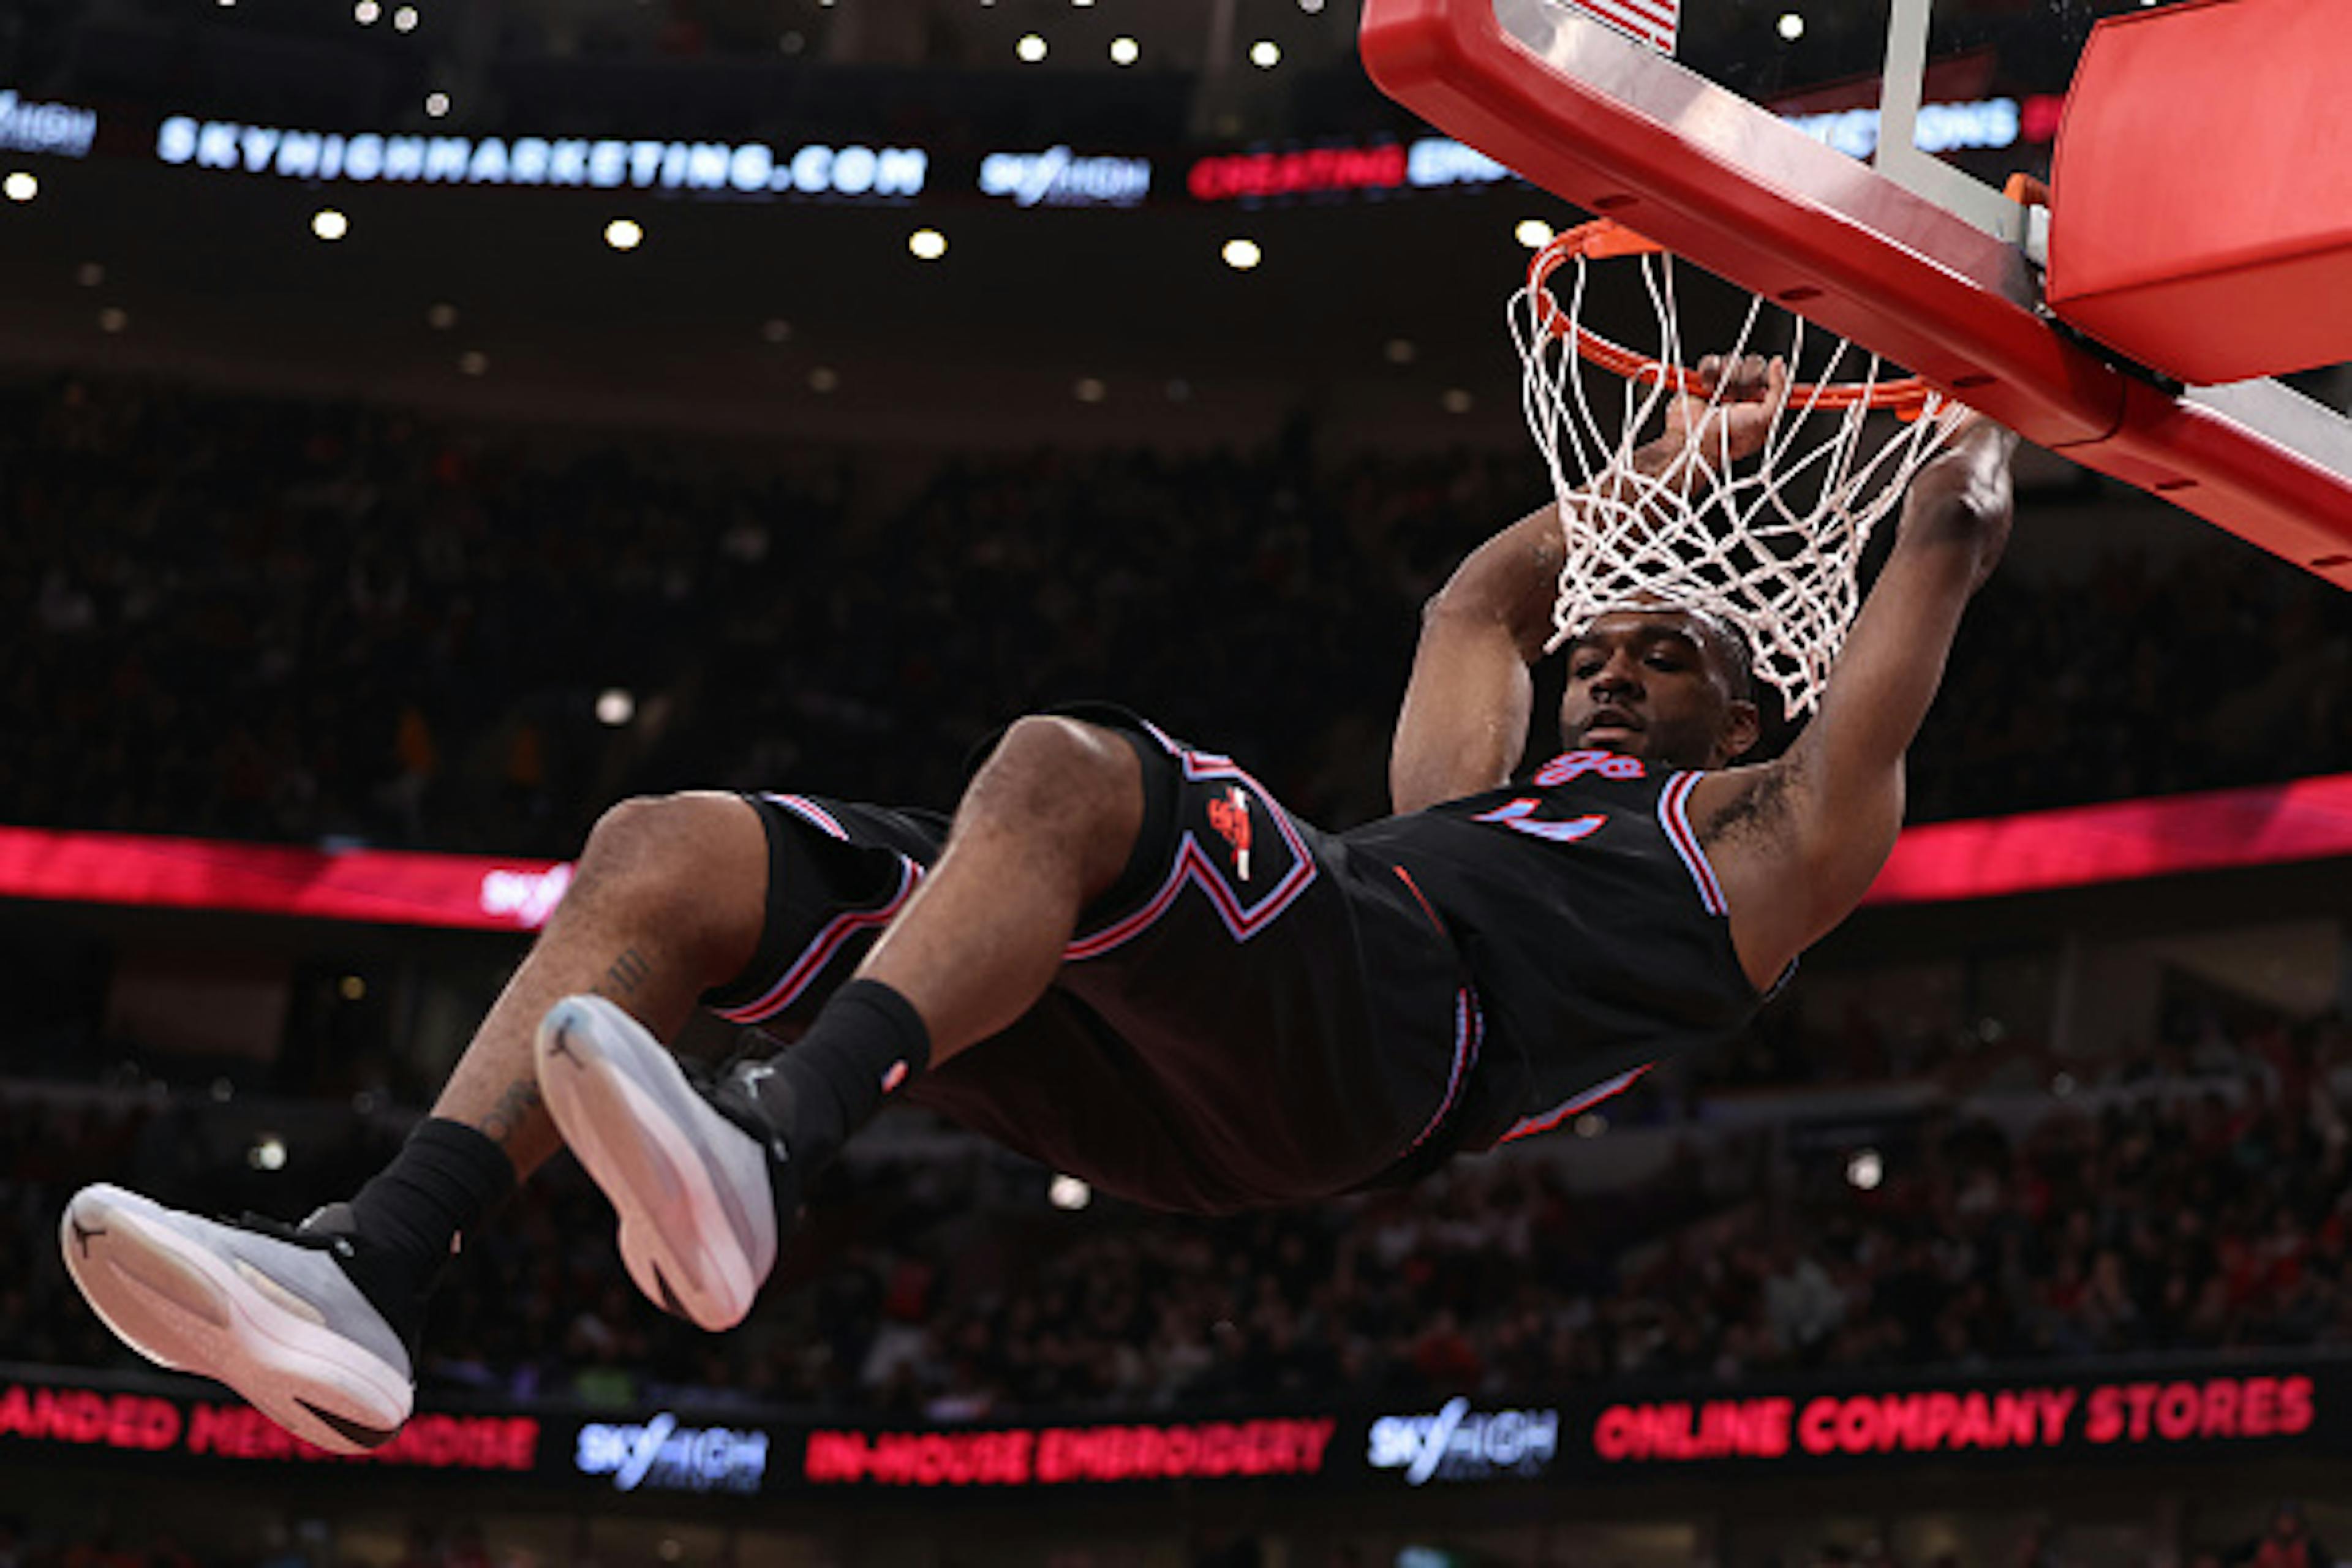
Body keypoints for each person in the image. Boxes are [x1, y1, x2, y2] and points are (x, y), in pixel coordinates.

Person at [60, 358, 2018, 1453]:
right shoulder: (1477, 789)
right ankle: (374, 1275)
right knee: (664, 849)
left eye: (1663, 653)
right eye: (1612, 643)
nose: (1608, 660)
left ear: (1753, 701)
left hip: (1393, 1049)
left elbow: (1926, 574)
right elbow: (1473, 609)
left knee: (1079, 773)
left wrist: (1974, 414)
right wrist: (1669, 469)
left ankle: (771, 1138)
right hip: (1202, 1062)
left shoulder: (1767, 841)